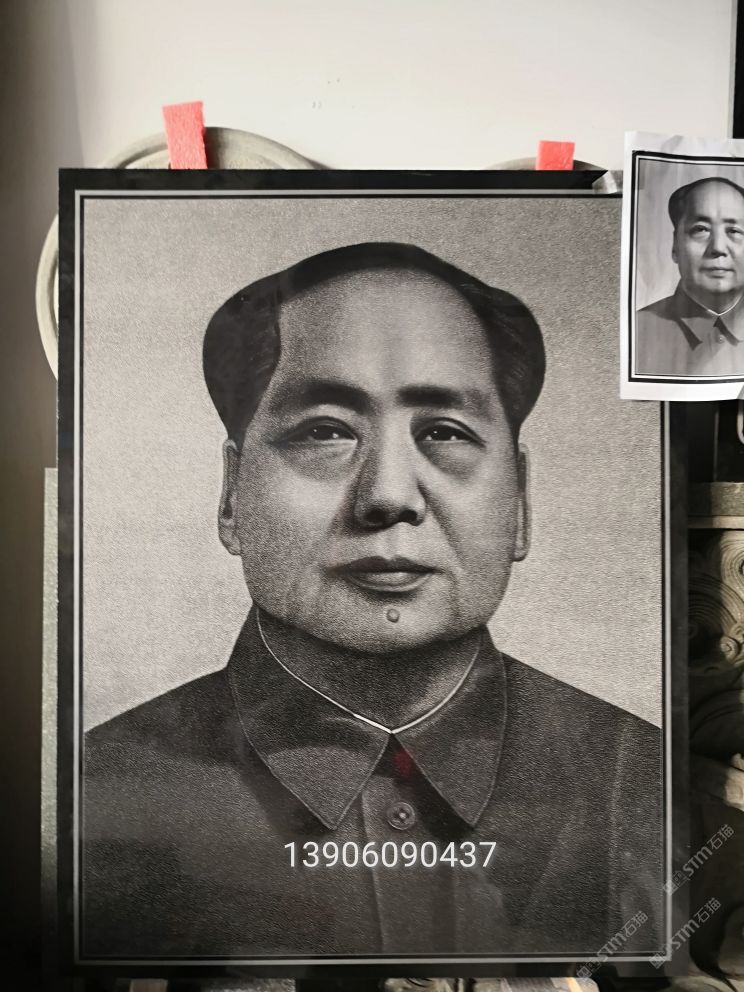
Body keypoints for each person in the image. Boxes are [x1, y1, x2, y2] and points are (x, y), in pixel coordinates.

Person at [83, 243, 663, 961]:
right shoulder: (90, 792)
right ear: (233, 496)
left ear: (518, 503)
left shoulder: (647, 785)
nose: (388, 495)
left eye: (444, 433)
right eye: (325, 431)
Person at [636, 176, 744, 376]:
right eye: (701, 229)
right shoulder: (635, 332)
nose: (718, 247)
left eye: (733, 230)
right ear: (675, 245)